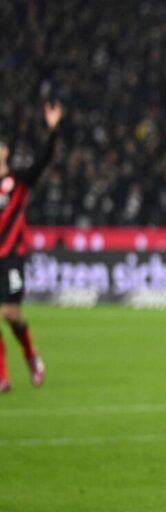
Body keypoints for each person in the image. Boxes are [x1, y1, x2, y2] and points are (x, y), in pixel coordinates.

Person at [0, 101, 63, 393]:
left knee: (11, 314)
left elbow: (43, 160)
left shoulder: (18, 181)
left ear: (5, 152)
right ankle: (3, 377)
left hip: (12, 256)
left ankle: (31, 355)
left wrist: (52, 131)